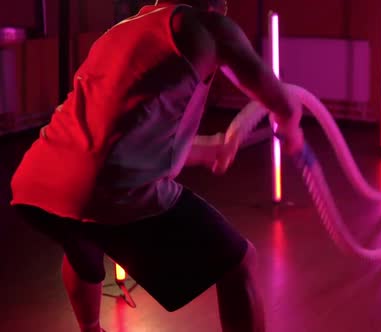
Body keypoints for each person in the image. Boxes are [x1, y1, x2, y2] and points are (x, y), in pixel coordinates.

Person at [9, 0, 303, 331]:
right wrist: (291, 130)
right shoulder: (209, 28)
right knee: (239, 263)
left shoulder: (127, 29)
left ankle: (91, 329)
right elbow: (281, 102)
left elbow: (122, 135)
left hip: (38, 182)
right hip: (109, 193)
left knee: (83, 236)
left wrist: (207, 150)